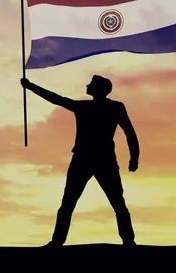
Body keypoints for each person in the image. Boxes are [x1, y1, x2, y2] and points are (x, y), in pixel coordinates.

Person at [20, 75, 140, 248]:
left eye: (91, 84)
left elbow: (129, 132)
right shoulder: (105, 107)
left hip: (92, 159)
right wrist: (31, 87)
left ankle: (128, 241)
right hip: (93, 159)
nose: (87, 86)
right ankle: (58, 241)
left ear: (99, 89)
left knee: (108, 202)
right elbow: (57, 99)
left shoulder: (100, 107)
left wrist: (31, 87)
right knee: (75, 203)